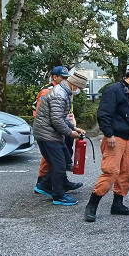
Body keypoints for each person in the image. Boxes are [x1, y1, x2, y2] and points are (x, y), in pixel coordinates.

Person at [84, 66, 129, 222]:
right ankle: (91, 206)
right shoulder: (113, 90)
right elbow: (103, 114)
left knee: (127, 173)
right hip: (115, 138)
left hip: (127, 139)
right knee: (111, 172)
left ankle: (117, 205)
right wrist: (108, 134)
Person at [33, 72, 89, 206]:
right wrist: (70, 133)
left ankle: (45, 185)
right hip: (47, 134)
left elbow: (62, 117)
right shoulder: (59, 94)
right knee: (59, 164)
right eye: (79, 88)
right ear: (74, 85)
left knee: (63, 160)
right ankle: (59, 196)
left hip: (50, 133)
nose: (79, 91)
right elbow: (57, 120)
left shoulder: (63, 92)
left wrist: (74, 128)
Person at [33, 66, 79, 184]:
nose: (65, 80)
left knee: (62, 157)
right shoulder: (48, 91)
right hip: (50, 129)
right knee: (51, 158)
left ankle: (62, 182)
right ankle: (42, 182)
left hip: (60, 126)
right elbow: (42, 114)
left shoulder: (63, 89)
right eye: (63, 78)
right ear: (54, 77)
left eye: (66, 78)